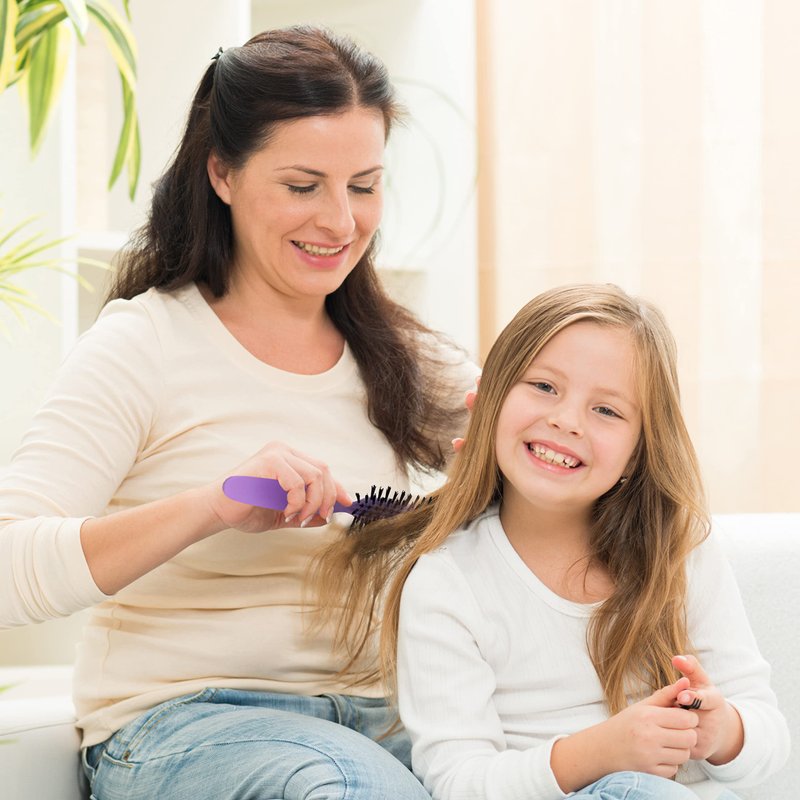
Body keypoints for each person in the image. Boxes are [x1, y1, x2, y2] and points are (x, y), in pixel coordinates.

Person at [0, 25, 478, 800]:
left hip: (389, 719)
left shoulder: (406, 353)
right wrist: (212, 506)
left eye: (363, 186)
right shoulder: (143, 344)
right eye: (303, 186)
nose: (341, 222)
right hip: (188, 724)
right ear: (222, 172)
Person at [314, 284, 790, 800]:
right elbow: (458, 782)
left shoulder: (679, 548)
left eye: (607, 410)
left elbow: (768, 734)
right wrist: (602, 752)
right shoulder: (448, 580)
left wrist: (722, 732)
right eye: (544, 386)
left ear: (637, 453)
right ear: (490, 401)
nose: (566, 420)